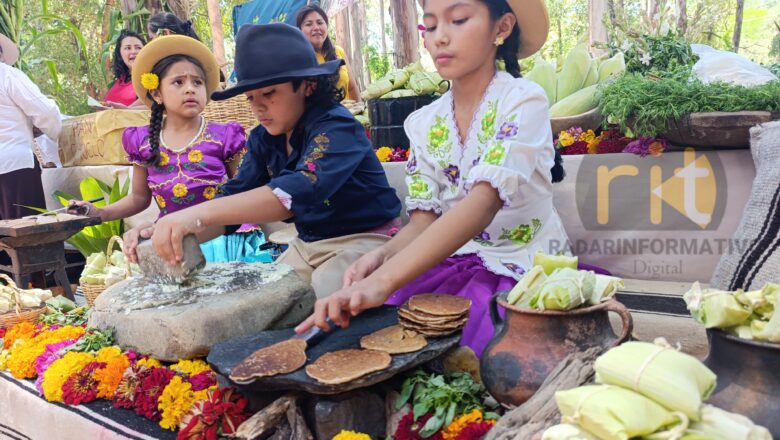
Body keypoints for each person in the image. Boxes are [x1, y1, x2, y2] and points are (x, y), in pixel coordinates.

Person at [296, 0, 569, 356]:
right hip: (456, 261)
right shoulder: (424, 122)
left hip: (524, 266)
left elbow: (483, 204)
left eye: (458, 20)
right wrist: (384, 256)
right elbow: (424, 220)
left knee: (477, 352)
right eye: (430, 25)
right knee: (384, 338)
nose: (440, 37)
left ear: (501, 28)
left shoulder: (523, 101)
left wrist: (383, 281)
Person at [140, 23, 401, 298]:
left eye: (269, 93)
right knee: (265, 302)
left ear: (308, 85)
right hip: (307, 245)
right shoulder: (263, 139)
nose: (258, 107)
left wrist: (196, 215)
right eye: (251, 98)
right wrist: (167, 232)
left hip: (366, 241)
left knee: (321, 302)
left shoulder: (336, 126)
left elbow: (297, 190)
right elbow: (234, 199)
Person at [68, 35, 246, 251]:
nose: (190, 89)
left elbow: (243, 191)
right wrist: (100, 213)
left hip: (223, 242)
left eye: (197, 82)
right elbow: (139, 198)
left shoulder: (224, 136)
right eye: (178, 82)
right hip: (170, 242)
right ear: (156, 93)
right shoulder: (143, 141)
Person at [0, 33, 62, 220]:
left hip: (10, 162)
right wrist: (56, 135)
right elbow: (46, 112)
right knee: (28, 229)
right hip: (15, 166)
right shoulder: (7, 74)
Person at [296, 5, 361, 102]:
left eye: (320, 22)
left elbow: (352, 88)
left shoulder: (338, 51)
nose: (316, 27)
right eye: (309, 24)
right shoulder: (299, 59)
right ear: (300, 30)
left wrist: (359, 107)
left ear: (326, 26)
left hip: (348, 110)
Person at [103, 30, 145, 108]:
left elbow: (154, 105)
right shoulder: (120, 79)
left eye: (138, 47)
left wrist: (126, 110)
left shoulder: (151, 78)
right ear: (120, 54)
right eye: (128, 48)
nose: (133, 51)